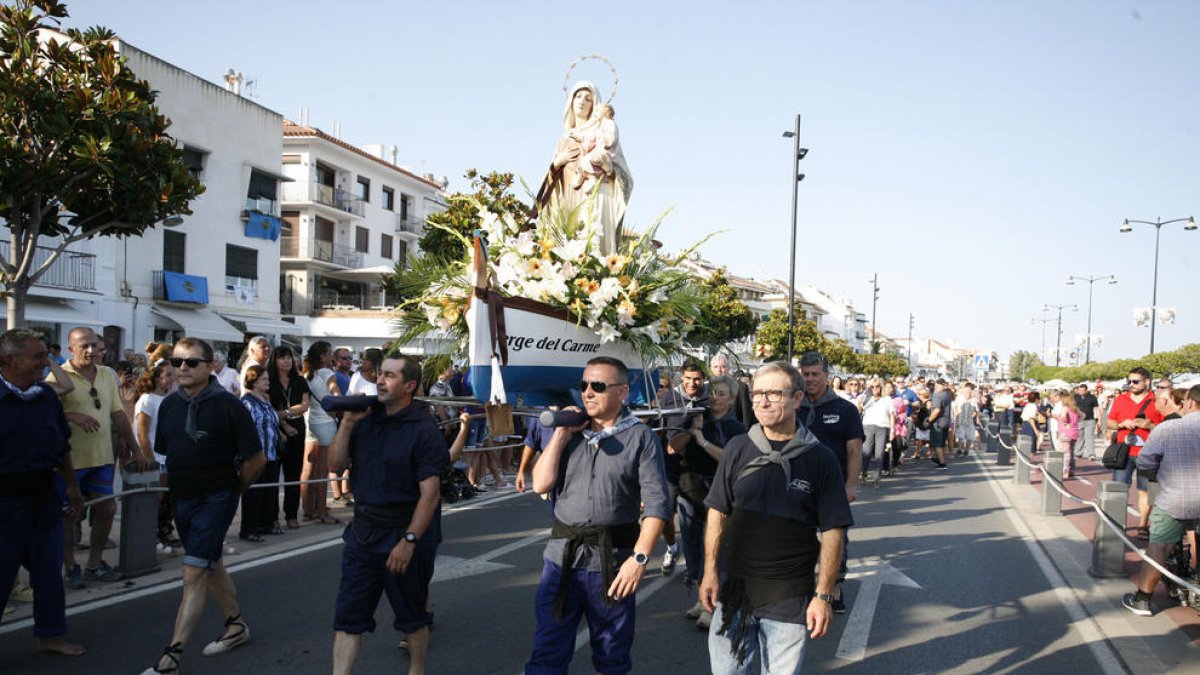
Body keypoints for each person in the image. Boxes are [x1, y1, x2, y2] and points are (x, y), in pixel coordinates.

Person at [700, 361, 852, 674]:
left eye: (773, 394)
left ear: (797, 399)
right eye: (757, 394)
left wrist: (823, 595)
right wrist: (710, 572)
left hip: (789, 596)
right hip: (735, 592)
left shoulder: (820, 457)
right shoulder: (737, 448)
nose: (763, 402)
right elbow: (718, 511)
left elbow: (833, 531)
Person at [523, 356, 670, 675]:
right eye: (584, 385)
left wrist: (640, 560)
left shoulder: (640, 438)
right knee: (546, 653)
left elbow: (657, 505)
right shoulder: (569, 431)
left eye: (598, 386)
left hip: (611, 563)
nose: (588, 392)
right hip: (561, 561)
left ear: (623, 392)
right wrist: (561, 434)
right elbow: (541, 484)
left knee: (611, 657)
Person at [141, 337, 264, 675]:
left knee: (193, 572)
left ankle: (172, 657)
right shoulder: (169, 405)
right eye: (178, 361)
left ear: (209, 366)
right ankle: (236, 626)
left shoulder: (229, 405)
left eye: (191, 362)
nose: (182, 367)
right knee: (210, 566)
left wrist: (232, 491)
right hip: (184, 497)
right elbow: (170, 452)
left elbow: (256, 459)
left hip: (217, 496)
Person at [327, 354, 448, 675]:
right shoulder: (364, 419)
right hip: (363, 534)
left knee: (412, 618)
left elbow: (430, 494)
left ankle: (417, 670)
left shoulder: (423, 430)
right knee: (348, 619)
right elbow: (334, 466)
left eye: (389, 376)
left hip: (404, 533)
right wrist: (348, 423)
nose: (380, 380)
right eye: (379, 374)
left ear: (409, 386)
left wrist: (409, 540)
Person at [0, 329, 86, 657]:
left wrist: (73, 486)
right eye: (37, 357)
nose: (45, 363)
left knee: (49, 570)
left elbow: (61, 445)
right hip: (4, 501)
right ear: (10, 360)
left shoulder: (45, 396)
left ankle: (50, 634)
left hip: (44, 496)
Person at [46, 327, 141, 589]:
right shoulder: (58, 377)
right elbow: (41, 414)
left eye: (94, 346)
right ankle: (70, 567)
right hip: (69, 462)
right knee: (68, 515)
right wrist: (70, 416)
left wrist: (135, 448)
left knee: (108, 509)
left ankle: (94, 564)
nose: (90, 351)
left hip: (101, 458)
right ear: (70, 349)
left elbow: (118, 414)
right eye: (83, 346)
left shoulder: (108, 374)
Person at [1122, 385, 1200, 616]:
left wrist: (1160, 474)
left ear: (1190, 403)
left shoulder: (1168, 429)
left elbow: (1145, 462)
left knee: (1160, 546)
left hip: (1174, 498)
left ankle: (1143, 599)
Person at [676, 374, 747, 629]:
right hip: (689, 488)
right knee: (692, 544)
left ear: (731, 399)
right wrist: (690, 429)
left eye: (720, 393)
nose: (713, 397)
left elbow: (728, 458)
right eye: (712, 392)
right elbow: (672, 448)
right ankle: (700, 597)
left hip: (718, 491)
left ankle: (712, 604)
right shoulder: (697, 416)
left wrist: (702, 441)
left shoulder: (736, 428)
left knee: (714, 546)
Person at [796, 351, 862, 613]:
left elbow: (854, 450)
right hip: (797, 484)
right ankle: (802, 587)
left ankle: (834, 586)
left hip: (832, 487)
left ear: (827, 375)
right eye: (806, 374)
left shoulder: (845, 409)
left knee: (836, 539)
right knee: (799, 538)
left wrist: (851, 485)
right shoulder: (793, 405)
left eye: (815, 374)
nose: (810, 379)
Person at [535, 80, 632, 255]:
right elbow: (550, 181)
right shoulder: (565, 139)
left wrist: (609, 168)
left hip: (592, 199)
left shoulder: (603, 133)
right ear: (570, 102)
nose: (581, 101)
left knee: (591, 242)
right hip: (566, 200)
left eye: (588, 98)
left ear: (595, 105)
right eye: (577, 96)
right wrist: (558, 163)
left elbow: (624, 176)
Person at [1107, 367, 1164, 540]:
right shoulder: (1121, 399)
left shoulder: (1157, 400)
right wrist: (1122, 424)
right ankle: (1116, 524)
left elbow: (1165, 425)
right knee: (1118, 489)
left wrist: (1149, 426)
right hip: (1123, 452)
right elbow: (1110, 422)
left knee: (1147, 491)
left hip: (1149, 452)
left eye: (1136, 381)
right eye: (1129, 381)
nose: (1131, 385)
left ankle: (1143, 525)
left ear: (1147, 381)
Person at [238, 365, 289, 542]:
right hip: (256, 455)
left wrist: (281, 433)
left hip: (272, 453)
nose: (267, 382)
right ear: (253, 381)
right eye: (263, 379)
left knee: (270, 491)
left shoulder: (265, 399)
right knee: (254, 493)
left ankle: (267, 523)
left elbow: (272, 421)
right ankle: (249, 529)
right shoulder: (247, 402)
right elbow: (246, 428)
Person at [134, 358, 178, 550]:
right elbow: (142, 432)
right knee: (155, 499)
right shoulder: (147, 399)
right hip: (155, 457)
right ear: (157, 378)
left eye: (171, 374)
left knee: (167, 499)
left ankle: (164, 529)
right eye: (167, 375)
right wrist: (149, 457)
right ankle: (149, 534)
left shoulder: (169, 398)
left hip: (168, 456)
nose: (171, 378)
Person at [268, 345, 309, 530]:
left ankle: (291, 515)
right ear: (274, 360)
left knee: (294, 473)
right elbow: (268, 408)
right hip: (276, 429)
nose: (286, 361)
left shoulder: (299, 380)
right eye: (282, 357)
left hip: (298, 427)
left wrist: (283, 413)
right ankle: (272, 516)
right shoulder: (269, 380)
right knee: (274, 475)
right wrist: (283, 418)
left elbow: (305, 405)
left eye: (289, 357)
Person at [302, 340, 340, 524]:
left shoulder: (307, 374)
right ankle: (321, 511)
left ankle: (308, 509)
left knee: (308, 470)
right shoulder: (327, 373)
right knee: (322, 471)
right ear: (323, 356)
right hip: (326, 422)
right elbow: (336, 396)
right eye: (330, 353)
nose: (332, 357)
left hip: (310, 422)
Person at [860, 379, 895, 488]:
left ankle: (877, 478)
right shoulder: (867, 398)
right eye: (872, 387)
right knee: (866, 452)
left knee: (879, 454)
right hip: (868, 426)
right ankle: (863, 473)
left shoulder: (887, 399)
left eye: (877, 386)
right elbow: (860, 407)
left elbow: (892, 414)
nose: (875, 389)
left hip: (882, 427)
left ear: (881, 387)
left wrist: (892, 430)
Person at [711, 353, 755, 427]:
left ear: (729, 368)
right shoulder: (706, 387)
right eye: (716, 367)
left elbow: (746, 415)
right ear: (711, 369)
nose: (719, 370)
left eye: (723, 367)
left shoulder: (741, 387)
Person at [926, 379, 952, 470]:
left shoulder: (938, 395)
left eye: (937, 385)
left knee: (937, 444)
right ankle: (938, 459)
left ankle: (942, 463)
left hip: (938, 423)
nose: (935, 387)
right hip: (946, 421)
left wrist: (929, 421)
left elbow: (937, 410)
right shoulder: (948, 394)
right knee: (942, 443)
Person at [1054, 391, 1081, 478]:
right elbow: (1083, 415)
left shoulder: (1065, 408)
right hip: (1074, 432)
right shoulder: (1075, 409)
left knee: (1065, 452)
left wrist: (1066, 423)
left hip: (1065, 432)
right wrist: (1075, 422)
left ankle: (1064, 470)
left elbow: (1063, 416)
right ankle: (1071, 469)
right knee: (1071, 452)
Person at [1074, 383, 1101, 460]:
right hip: (1079, 420)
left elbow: (1097, 408)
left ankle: (1091, 454)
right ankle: (1078, 453)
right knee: (1079, 437)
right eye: (1080, 390)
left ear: (1086, 390)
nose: (1081, 391)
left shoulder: (1092, 398)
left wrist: (1099, 420)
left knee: (1089, 437)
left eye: (1083, 390)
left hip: (1090, 420)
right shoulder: (1075, 397)